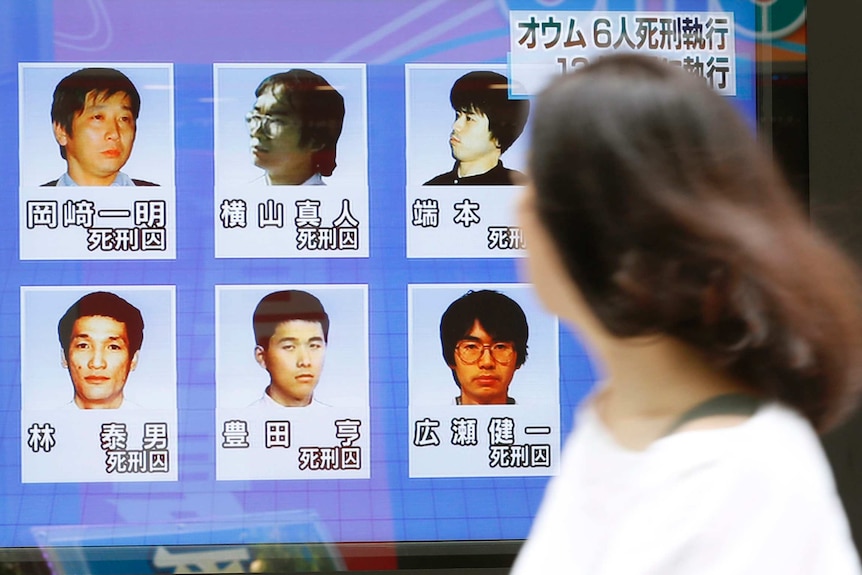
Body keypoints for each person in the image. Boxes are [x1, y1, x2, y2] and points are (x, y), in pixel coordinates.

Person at [512, 54, 862, 574]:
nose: (519, 209)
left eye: (535, 184)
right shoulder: (615, 420)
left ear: (598, 230)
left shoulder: (741, 476)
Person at [43, 67, 157, 187]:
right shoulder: (38, 200)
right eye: (98, 117)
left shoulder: (158, 198)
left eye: (124, 119)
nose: (114, 134)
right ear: (61, 130)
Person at [424, 70, 529, 186]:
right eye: (458, 115)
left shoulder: (520, 189)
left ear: (499, 137)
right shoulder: (433, 189)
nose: (456, 126)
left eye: (469, 119)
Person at [247, 69, 345, 185]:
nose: (257, 131)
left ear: (316, 141)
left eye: (276, 121)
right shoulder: (239, 197)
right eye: (256, 117)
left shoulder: (329, 201)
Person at [57, 291, 145, 409]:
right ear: (64, 357)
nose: (96, 363)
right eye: (83, 346)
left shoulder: (149, 423)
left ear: (133, 360)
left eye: (113, 347)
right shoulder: (46, 424)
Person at [439, 290, 528, 405]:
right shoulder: (432, 421)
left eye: (500, 347)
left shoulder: (537, 422)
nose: (487, 362)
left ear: (518, 357)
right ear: (450, 358)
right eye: (471, 347)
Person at [250, 290, 330, 407]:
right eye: (289, 347)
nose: (305, 361)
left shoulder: (338, 421)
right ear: (261, 357)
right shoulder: (246, 419)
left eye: (314, 346)